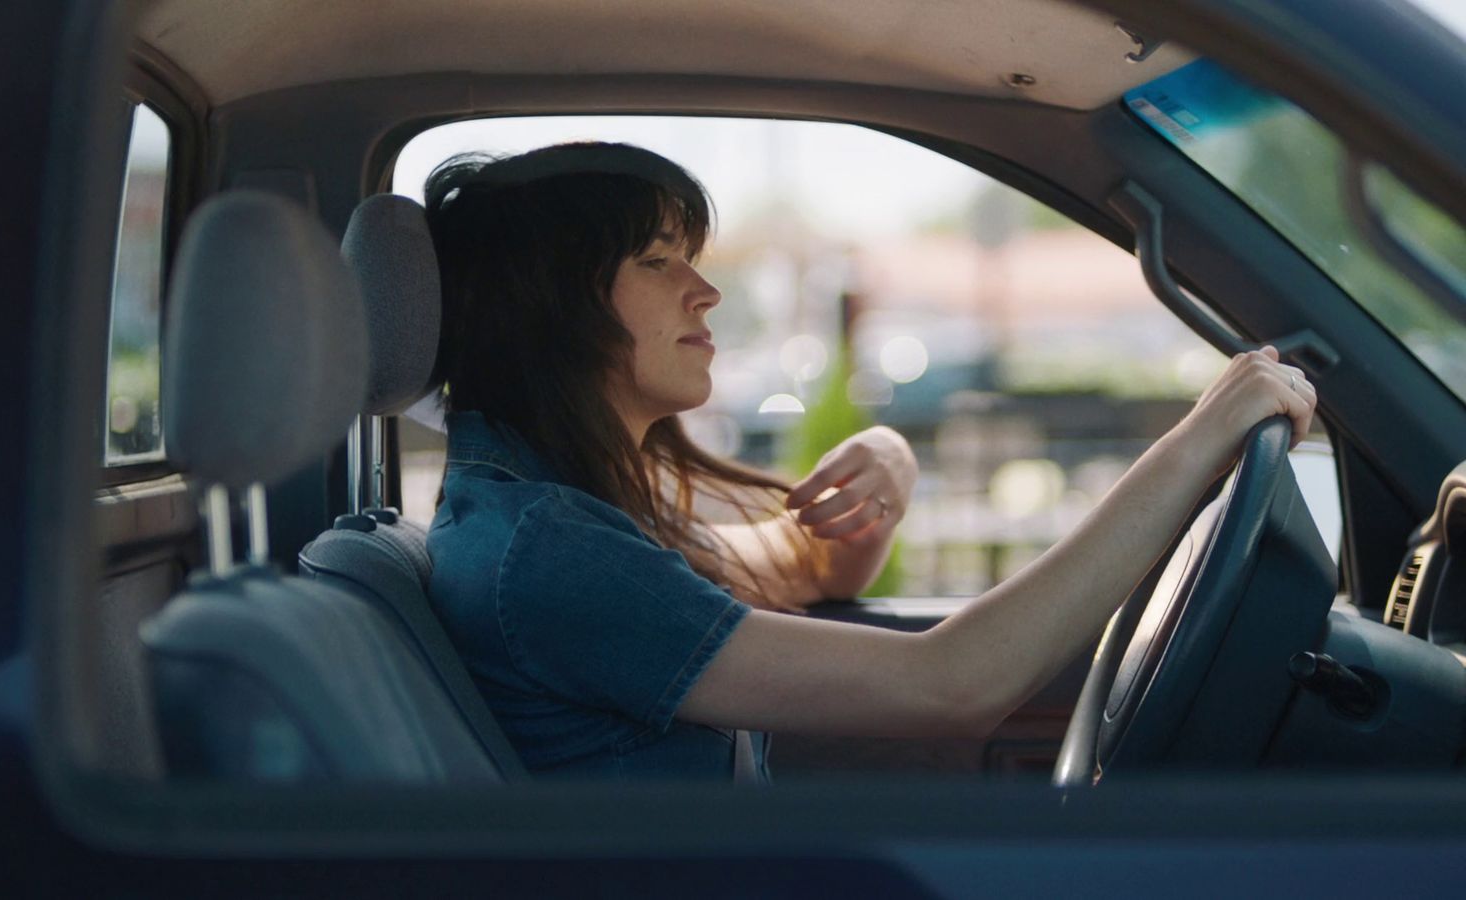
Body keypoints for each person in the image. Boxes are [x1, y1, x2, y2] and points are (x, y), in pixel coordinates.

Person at [421, 141, 1317, 781]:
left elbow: (807, 569)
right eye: (659, 262)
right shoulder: (549, 554)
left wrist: (888, 458)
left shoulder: (545, 514)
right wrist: (1198, 441)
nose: (708, 291)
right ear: (549, 307)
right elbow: (952, 687)